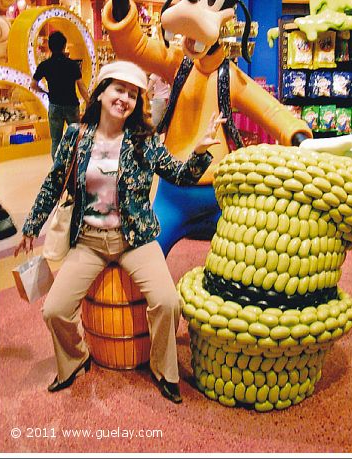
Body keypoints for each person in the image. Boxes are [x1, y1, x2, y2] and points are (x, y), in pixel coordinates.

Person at [15, 60, 225, 404]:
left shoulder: (144, 141)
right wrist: (30, 227)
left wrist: (200, 152)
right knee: (55, 309)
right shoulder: (76, 137)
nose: (124, 99)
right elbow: (53, 183)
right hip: (90, 241)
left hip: (136, 240)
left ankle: (164, 370)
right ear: (100, 92)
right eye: (118, 89)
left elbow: (180, 174)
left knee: (167, 302)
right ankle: (75, 359)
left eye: (132, 94)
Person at [30, 31, 90, 160]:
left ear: (50, 47)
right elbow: (81, 86)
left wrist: (44, 92)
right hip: (71, 105)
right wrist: (89, 101)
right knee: (76, 138)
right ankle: (76, 164)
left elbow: (33, 84)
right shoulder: (72, 64)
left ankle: (57, 169)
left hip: (54, 105)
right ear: (64, 46)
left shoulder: (44, 65)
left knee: (56, 140)